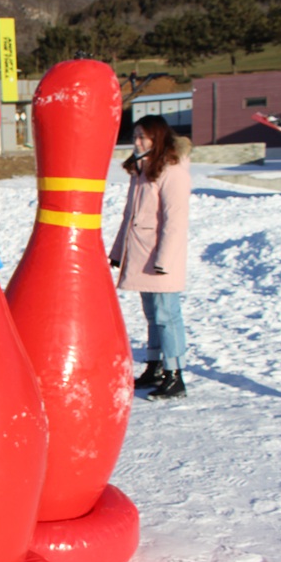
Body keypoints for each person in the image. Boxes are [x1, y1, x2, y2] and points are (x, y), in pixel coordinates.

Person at [109, 115, 192, 401]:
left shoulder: (173, 171)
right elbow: (129, 217)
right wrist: (118, 253)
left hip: (160, 258)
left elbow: (175, 220)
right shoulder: (142, 170)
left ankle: (175, 375)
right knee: (153, 315)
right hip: (142, 255)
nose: (137, 141)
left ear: (158, 138)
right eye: (135, 136)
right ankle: (155, 367)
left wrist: (164, 261)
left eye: (143, 136)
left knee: (167, 315)